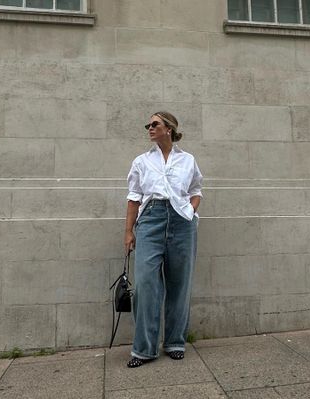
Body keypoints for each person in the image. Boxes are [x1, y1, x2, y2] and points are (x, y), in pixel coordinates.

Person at [124, 111, 203, 368]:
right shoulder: (142, 161)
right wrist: (129, 231)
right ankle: (144, 349)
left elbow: (196, 190)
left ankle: (175, 342)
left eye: (154, 124)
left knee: (179, 283)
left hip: (182, 221)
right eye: (149, 124)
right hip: (150, 220)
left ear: (168, 128)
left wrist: (190, 211)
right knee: (146, 284)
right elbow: (134, 196)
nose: (149, 127)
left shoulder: (187, 160)